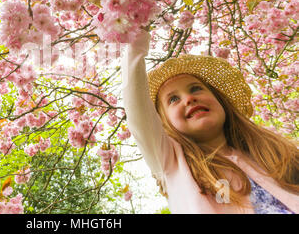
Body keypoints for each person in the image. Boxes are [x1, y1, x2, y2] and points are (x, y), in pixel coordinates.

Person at [121, 30, 299, 213]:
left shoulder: (267, 152)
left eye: (196, 89)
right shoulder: (171, 161)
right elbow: (136, 104)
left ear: (220, 101)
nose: (188, 99)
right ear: (163, 122)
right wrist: (135, 37)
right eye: (173, 99)